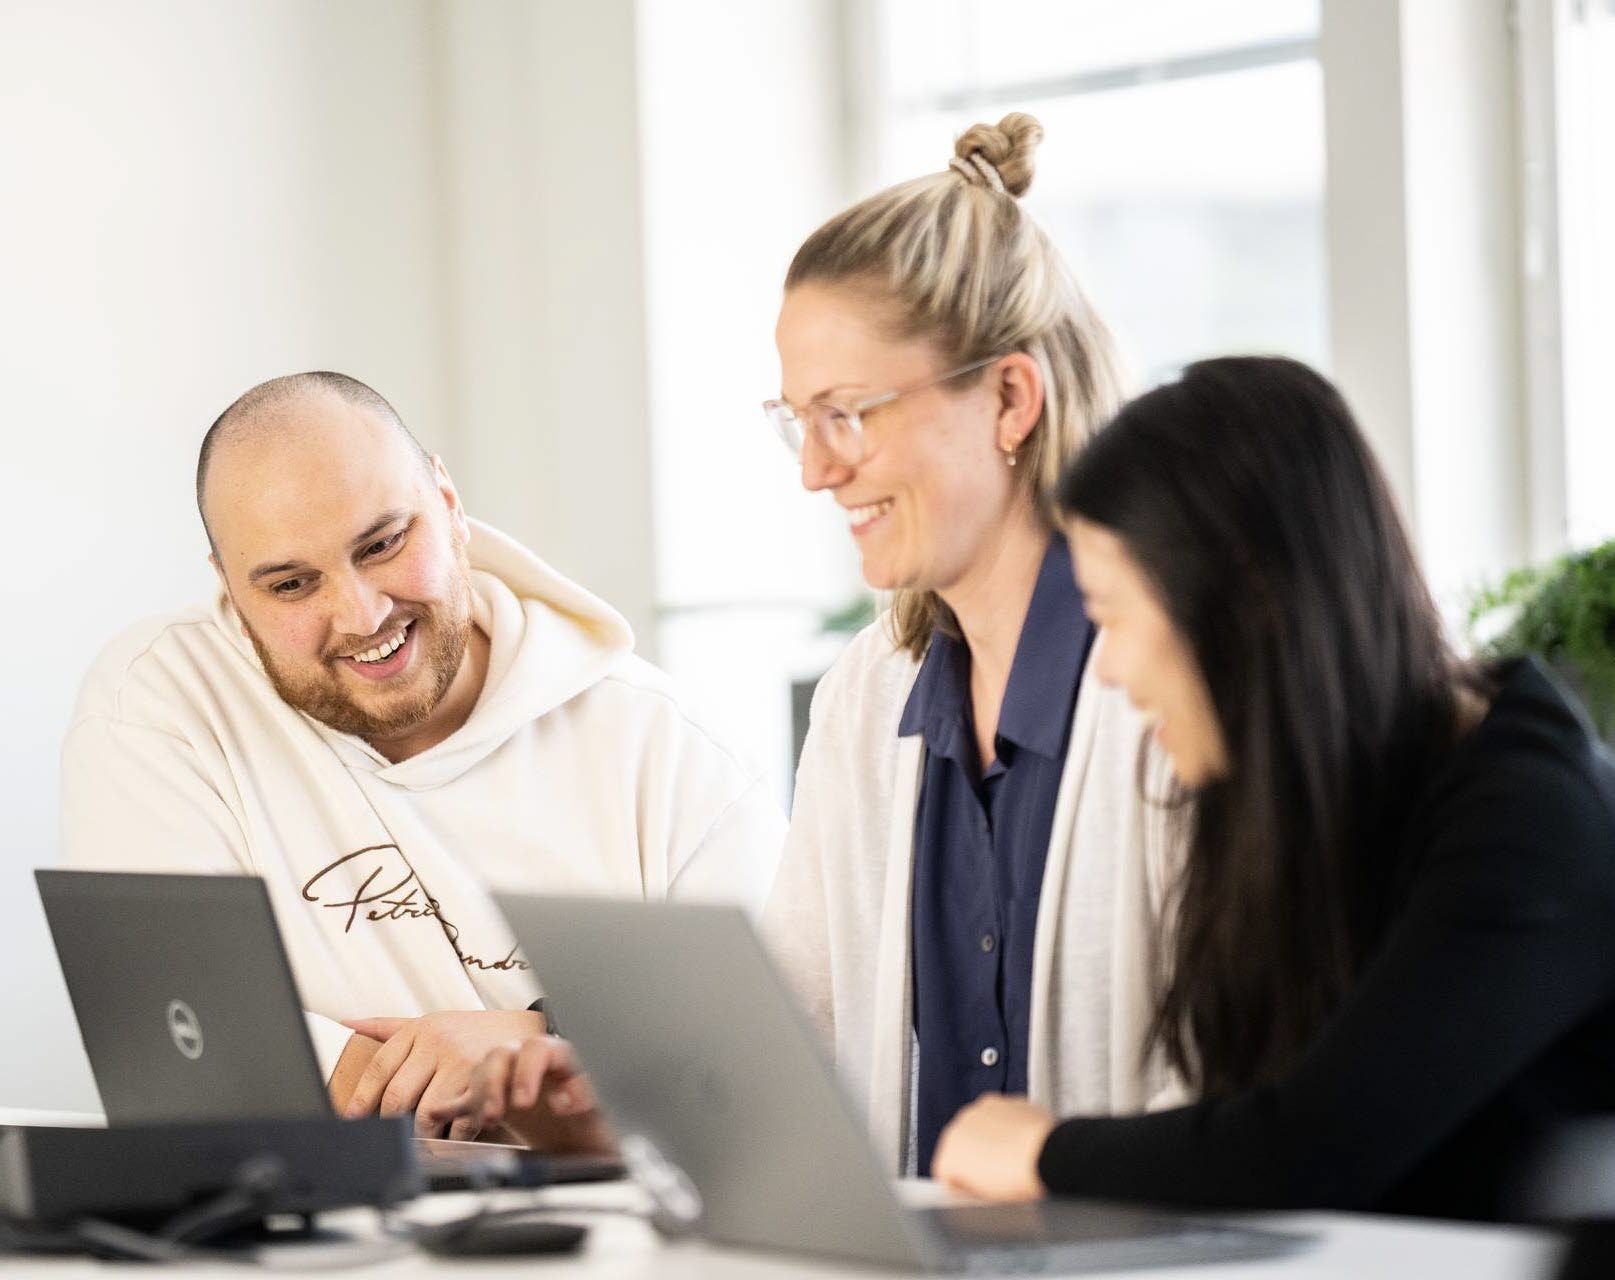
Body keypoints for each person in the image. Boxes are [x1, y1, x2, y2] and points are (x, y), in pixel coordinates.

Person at [440, 114, 1186, 1173]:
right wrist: (602, 1121)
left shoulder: (1176, 683)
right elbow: (794, 1059)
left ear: (1009, 398)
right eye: (798, 419)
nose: (815, 470)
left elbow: (1247, 1095)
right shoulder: (870, 696)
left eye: (850, 413)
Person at [932, 356, 1615, 1221]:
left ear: (1244, 596)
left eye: (1110, 615)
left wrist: (1040, 1148)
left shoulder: (1532, 824)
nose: (1109, 670)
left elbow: (1302, 1151)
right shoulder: (1293, 795)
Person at [60, 371, 785, 1137]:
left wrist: (541, 1042)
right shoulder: (158, 699)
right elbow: (183, 1044)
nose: (361, 613)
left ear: (447, 501)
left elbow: (764, 1064)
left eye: (382, 544)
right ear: (230, 590)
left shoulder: (669, 747)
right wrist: (578, 1062)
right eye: (291, 584)